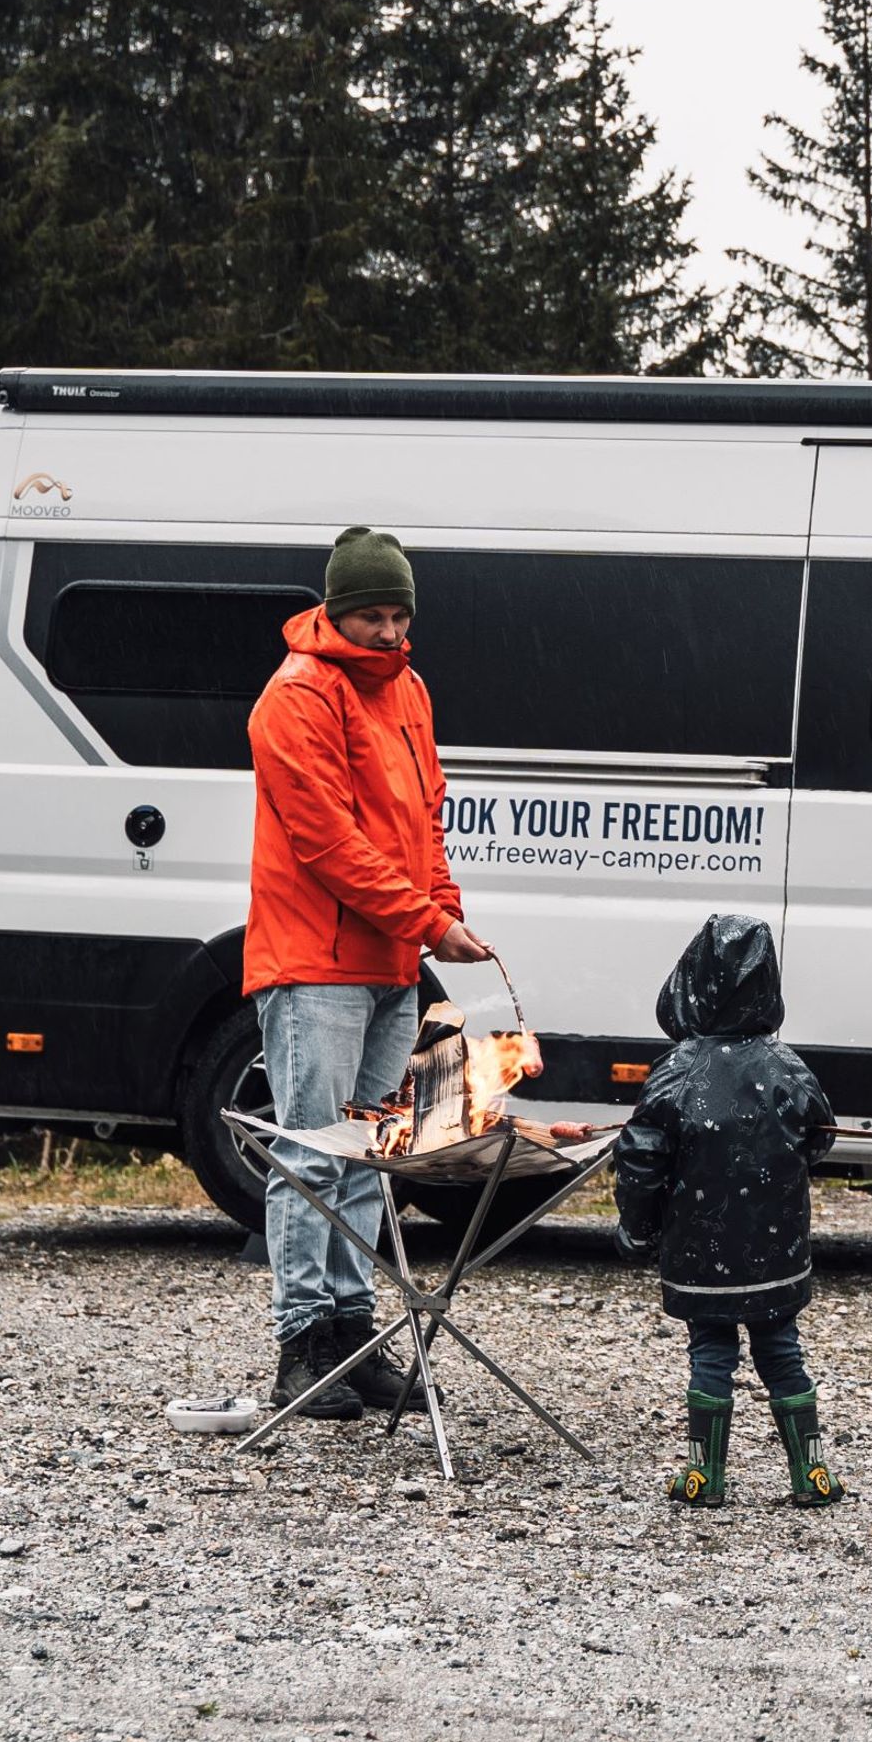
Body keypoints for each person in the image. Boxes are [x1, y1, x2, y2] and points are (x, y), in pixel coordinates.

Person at [244, 524, 495, 1419]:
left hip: (390, 960)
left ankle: (353, 1338)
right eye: (372, 617)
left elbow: (425, 815)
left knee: (369, 1155)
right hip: (313, 960)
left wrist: (443, 910)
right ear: (335, 613)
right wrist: (427, 919)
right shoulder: (296, 696)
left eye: (398, 616)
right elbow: (328, 843)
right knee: (312, 1151)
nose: (389, 633)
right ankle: (300, 1344)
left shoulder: (412, 692)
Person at [611, 915, 845, 1507]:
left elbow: (641, 1159)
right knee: (781, 1350)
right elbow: (819, 1138)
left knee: (710, 1352)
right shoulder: (788, 1066)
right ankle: (812, 1475)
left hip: (699, 1253)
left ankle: (703, 1476)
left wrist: (637, 1230)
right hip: (776, 1250)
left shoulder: (677, 1069)